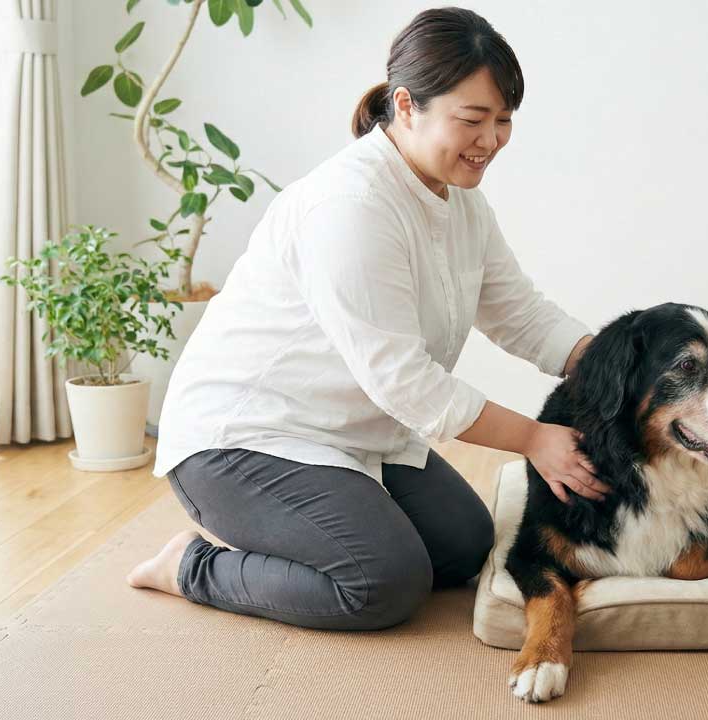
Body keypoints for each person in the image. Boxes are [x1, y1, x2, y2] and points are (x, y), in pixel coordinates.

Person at [125, 7, 611, 631]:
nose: (490, 140)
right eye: (472, 119)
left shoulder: (463, 203)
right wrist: (534, 438)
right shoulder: (349, 206)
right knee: (384, 582)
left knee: (464, 546)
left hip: (351, 432)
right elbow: (405, 382)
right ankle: (189, 567)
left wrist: (619, 362)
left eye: (504, 121)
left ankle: (334, 517)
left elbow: (521, 313)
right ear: (406, 106)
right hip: (244, 438)